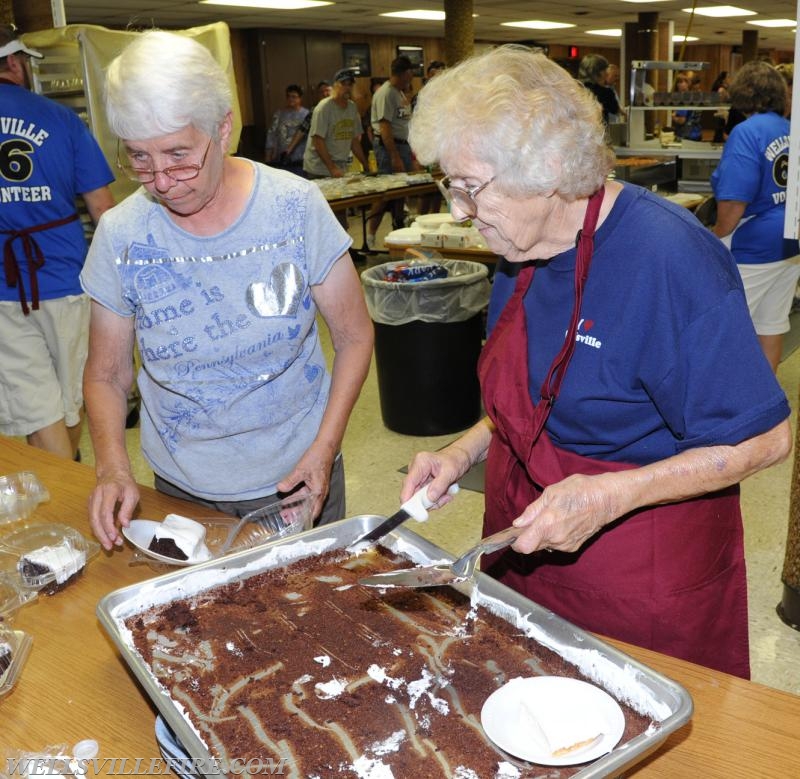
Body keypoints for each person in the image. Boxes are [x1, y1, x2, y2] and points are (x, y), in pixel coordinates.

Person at [401, 45, 792, 679]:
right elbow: (536, 395)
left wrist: (611, 495)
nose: (459, 212)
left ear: (549, 167)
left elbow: (769, 439)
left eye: (470, 187)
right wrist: (461, 453)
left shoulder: (670, 259)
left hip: (640, 568)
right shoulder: (516, 247)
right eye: (451, 185)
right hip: (522, 537)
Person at [80, 31, 373, 550]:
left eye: (178, 155)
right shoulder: (122, 234)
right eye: (139, 160)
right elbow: (106, 373)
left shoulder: (294, 207)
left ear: (224, 128)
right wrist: (111, 468)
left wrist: (325, 449)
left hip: (298, 475)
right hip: (183, 486)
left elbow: (353, 336)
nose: (162, 181)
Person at [0, 25, 115, 461]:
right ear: (15, 62)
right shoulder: (61, 119)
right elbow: (103, 209)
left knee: (35, 407)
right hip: (66, 277)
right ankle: (70, 489)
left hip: (2, 290)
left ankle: (63, 486)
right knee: (71, 398)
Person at [711, 60, 800, 373]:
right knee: (771, 323)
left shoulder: (746, 132)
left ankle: (729, 406)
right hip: (790, 241)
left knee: (726, 330)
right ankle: (768, 405)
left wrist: (714, 237)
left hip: (754, 245)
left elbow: (735, 199)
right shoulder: (791, 128)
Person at [366, 56, 419, 247]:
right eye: (410, 74)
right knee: (385, 193)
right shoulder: (386, 93)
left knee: (400, 192)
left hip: (403, 146)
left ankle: (397, 231)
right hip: (390, 148)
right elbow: (385, 127)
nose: (411, 78)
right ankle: (371, 234)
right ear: (405, 73)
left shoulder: (400, 93)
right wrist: (394, 156)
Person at [302, 68, 368, 179]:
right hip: (319, 168)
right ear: (335, 85)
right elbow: (318, 141)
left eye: (350, 84)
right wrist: (332, 168)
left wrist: (365, 165)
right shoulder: (324, 108)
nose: (347, 88)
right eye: (343, 84)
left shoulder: (352, 107)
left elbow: (354, 140)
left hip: (340, 166)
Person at [264, 83, 309, 176]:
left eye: (294, 96)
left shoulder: (307, 115)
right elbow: (271, 135)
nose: (291, 99)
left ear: (300, 98)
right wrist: (268, 156)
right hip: (281, 159)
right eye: (288, 96)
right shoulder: (279, 114)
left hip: (301, 160)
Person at [578, 53, 620, 124]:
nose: (607, 73)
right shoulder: (606, 93)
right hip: (597, 130)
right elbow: (614, 109)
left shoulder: (575, 88)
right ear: (600, 72)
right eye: (605, 70)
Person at [671, 72, 702, 140]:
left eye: (681, 82)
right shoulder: (693, 96)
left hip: (686, 135)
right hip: (697, 133)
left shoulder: (683, 99)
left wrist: (673, 117)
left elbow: (682, 120)